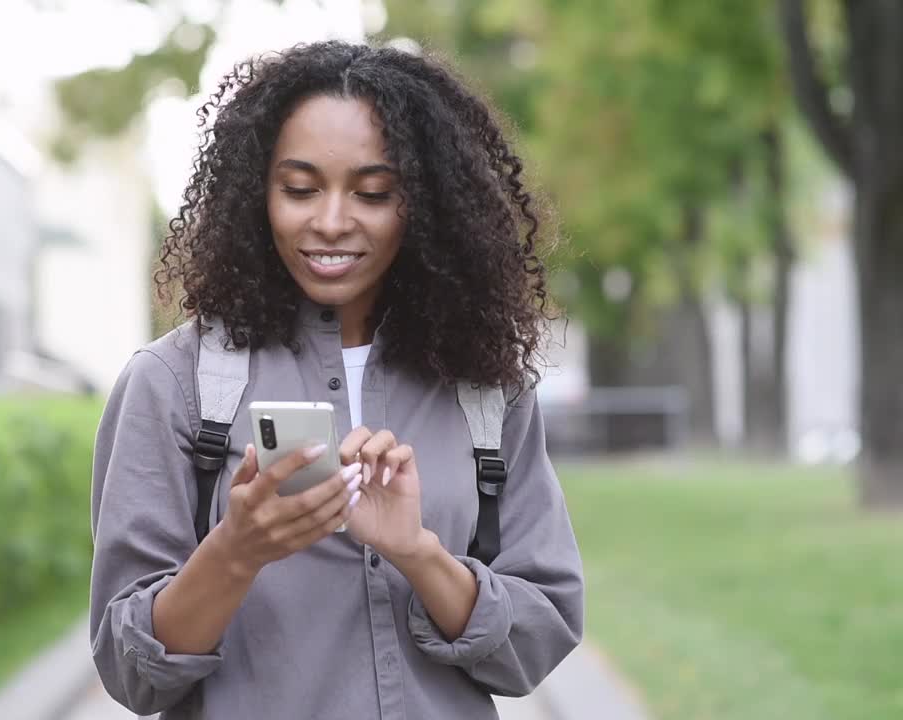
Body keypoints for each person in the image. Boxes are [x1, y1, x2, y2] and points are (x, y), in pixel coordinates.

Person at [89, 40, 584, 720]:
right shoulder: (173, 384)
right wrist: (237, 550)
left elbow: (539, 635)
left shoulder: (483, 384)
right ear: (255, 193)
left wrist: (418, 553)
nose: (329, 222)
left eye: (374, 193)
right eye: (299, 189)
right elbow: (129, 671)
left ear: (426, 203)